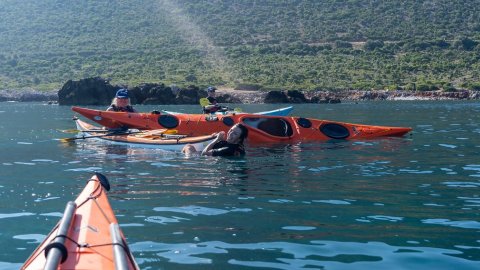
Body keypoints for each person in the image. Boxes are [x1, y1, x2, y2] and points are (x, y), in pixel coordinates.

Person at [182, 123, 249, 157]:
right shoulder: (240, 147)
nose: (230, 133)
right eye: (231, 130)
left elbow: (204, 153)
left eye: (235, 133)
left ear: (240, 138)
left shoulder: (227, 149)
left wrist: (216, 139)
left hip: (203, 160)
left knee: (188, 147)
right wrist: (220, 140)